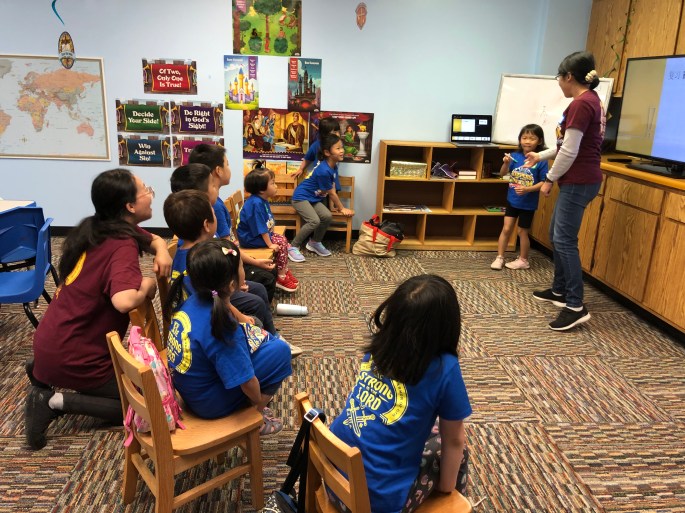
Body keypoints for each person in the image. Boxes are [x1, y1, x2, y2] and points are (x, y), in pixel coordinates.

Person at [25, 169, 173, 450]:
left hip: (53, 339)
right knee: (146, 403)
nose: (151, 195)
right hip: (75, 355)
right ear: (130, 206)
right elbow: (124, 301)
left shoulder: (102, 225)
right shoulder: (122, 244)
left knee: (142, 393)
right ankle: (53, 401)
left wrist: (162, 248)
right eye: (147, 190)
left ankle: (44, 370)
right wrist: (147, 285)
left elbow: (153, 239)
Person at [330, 275, 471, 513]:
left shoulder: (379, 346)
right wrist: (445, 491)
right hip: (375, 503)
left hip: (334, 479)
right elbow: (454, 441)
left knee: (430, 430)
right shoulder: (444, 367)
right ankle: (455, 504)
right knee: (459, 448)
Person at [166, 239, 292, 436]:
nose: (244, 269)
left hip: (189, 389)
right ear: (232, 284)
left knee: (261, 339)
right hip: (208, 404)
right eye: (242, 266)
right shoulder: (221, 325)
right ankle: (254, 417)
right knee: (281, 352)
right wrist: (256, 400)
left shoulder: (191, 302)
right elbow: (247, 382)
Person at [524, 51, 605, 331]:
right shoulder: (590, 100)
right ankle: (559, 290)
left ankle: (575, 305)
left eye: (559, 77)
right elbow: (565, 146)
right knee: (555, 236)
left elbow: (570, 151)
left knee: (565, 241)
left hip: (579, 181)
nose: (559, 83)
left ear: (569, 76)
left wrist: (548, 178)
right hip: (578, 180)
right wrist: (541, 155)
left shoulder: (581, 104)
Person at [188, 144, 277, 300]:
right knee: (266, 279)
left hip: (229, 258)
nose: (229, 168)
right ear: (218, 170)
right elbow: (227, 249)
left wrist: (254, 262)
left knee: (268, 272)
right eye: (227, 164)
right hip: (224, 270)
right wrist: (251, 265)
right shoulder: (214, 206)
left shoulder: (214, 202)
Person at [491, 124, 548, 271]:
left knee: (522, 232)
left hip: (528, 203)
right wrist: (506, 163)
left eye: (532, 138)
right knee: (506, 228)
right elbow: (502, 173)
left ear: (540, 141)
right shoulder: (514, 156)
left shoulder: (541, 160)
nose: (527, 141)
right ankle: (500, 257)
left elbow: (544, 182)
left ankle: (523, 260)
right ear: (520, 139)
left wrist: (528, 189)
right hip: (512, 200)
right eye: (524, 138)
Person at [237, 163, 300, 292]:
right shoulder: (255, 203)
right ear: (262, 189)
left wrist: (273, 238)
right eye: (272, 183)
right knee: (282, 242)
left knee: (282, 240)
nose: (276, 186)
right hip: (250, 238)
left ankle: (282, 269)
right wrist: (270, 244)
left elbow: (267, 223)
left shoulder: (261, 200)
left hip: (257, 235)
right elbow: (261, 228)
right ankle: (281, 276)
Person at [289, 134, 354, 259]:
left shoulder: (333, 166)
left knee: (327, 216)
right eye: (338, 148)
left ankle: (314, 242)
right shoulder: (324, 170)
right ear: (327, 152)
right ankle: (293, 246)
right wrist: (341, 208)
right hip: (300, 198)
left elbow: (332, 186)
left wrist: (334, 206)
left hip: (313, 198)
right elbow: (331, 192)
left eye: (342, 147)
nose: (342, 151)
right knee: (314, 221)